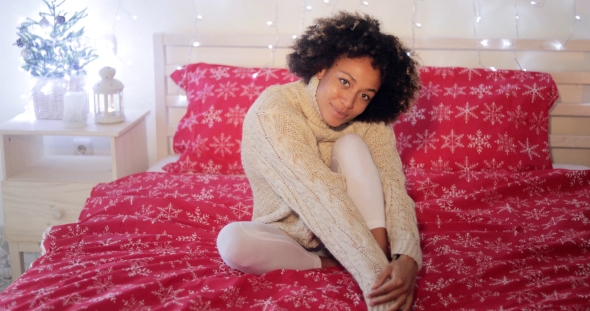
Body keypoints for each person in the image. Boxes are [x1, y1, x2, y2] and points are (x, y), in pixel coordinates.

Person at [216, 11, 422, 311]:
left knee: (351, 144)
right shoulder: (274, 112)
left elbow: (393, 184)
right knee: (233, 242)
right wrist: (377, 276)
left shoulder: (370, 120)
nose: (349, 103)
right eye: (344, 81)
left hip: (364, 229)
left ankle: (373, 249)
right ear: (322, 67)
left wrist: (405, 258)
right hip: (289, 235)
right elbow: (317, 195)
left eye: (365, 95)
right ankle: (331, 262)